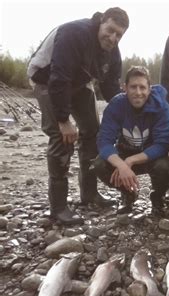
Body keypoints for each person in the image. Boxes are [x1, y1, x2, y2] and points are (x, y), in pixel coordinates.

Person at [27, 7, 129, 225]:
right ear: (101, 21)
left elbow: (111, 88)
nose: (112, 38)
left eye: (118, 34)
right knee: (61, 138)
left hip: (79, 83)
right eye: (110, 30)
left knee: (93, 130)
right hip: (46, 79)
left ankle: (89, 194)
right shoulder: (74, 33)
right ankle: (58, 207)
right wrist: (64, 120)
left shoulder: (113, 51)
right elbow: (59, 77)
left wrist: (128, 115)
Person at [93, 66, 169, 215]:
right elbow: (104, 141)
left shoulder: (161, 106)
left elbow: (163, 144)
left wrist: (130, 161)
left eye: (142, 87)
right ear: (125, 88)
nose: (138, 92)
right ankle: (128, 194)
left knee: (166, 167)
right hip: (125, 151)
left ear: (149, 89)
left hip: (151, 156)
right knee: (99, 164)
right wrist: (121, 165)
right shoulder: (116, 105)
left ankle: (158, 197)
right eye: (133, 87)